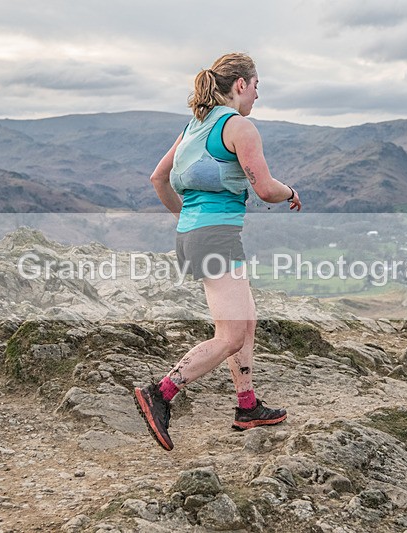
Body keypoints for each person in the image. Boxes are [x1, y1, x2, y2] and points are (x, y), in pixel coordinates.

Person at [134, 52, 302, 451]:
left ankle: (247, 405)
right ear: (241, 84)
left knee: (246, 321)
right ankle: (160, 393)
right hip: (216, 237)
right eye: (257, 86)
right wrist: (292, 193)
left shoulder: (194, 125)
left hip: (198, 234)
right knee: (229, 335)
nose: (258, 95)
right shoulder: (239, 127)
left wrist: (188, 220)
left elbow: (159, 179)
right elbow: (264, 188)